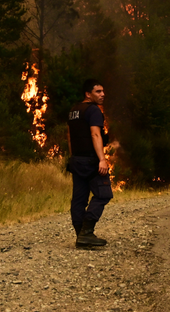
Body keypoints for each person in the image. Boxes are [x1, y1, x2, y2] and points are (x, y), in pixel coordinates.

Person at [67, 79, 113, 248]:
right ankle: (86, 232)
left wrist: (73, 157)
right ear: (88, 94)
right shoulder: (93, 110)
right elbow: (95, 135)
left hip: (77, 160)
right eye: (98, 92)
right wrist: (102, 159)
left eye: (102, 91)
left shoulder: (74, 111)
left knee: (79, 198)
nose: (103, 95)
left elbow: (70, 137)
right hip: (91, 160)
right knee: (103, 194)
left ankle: (80, 235)